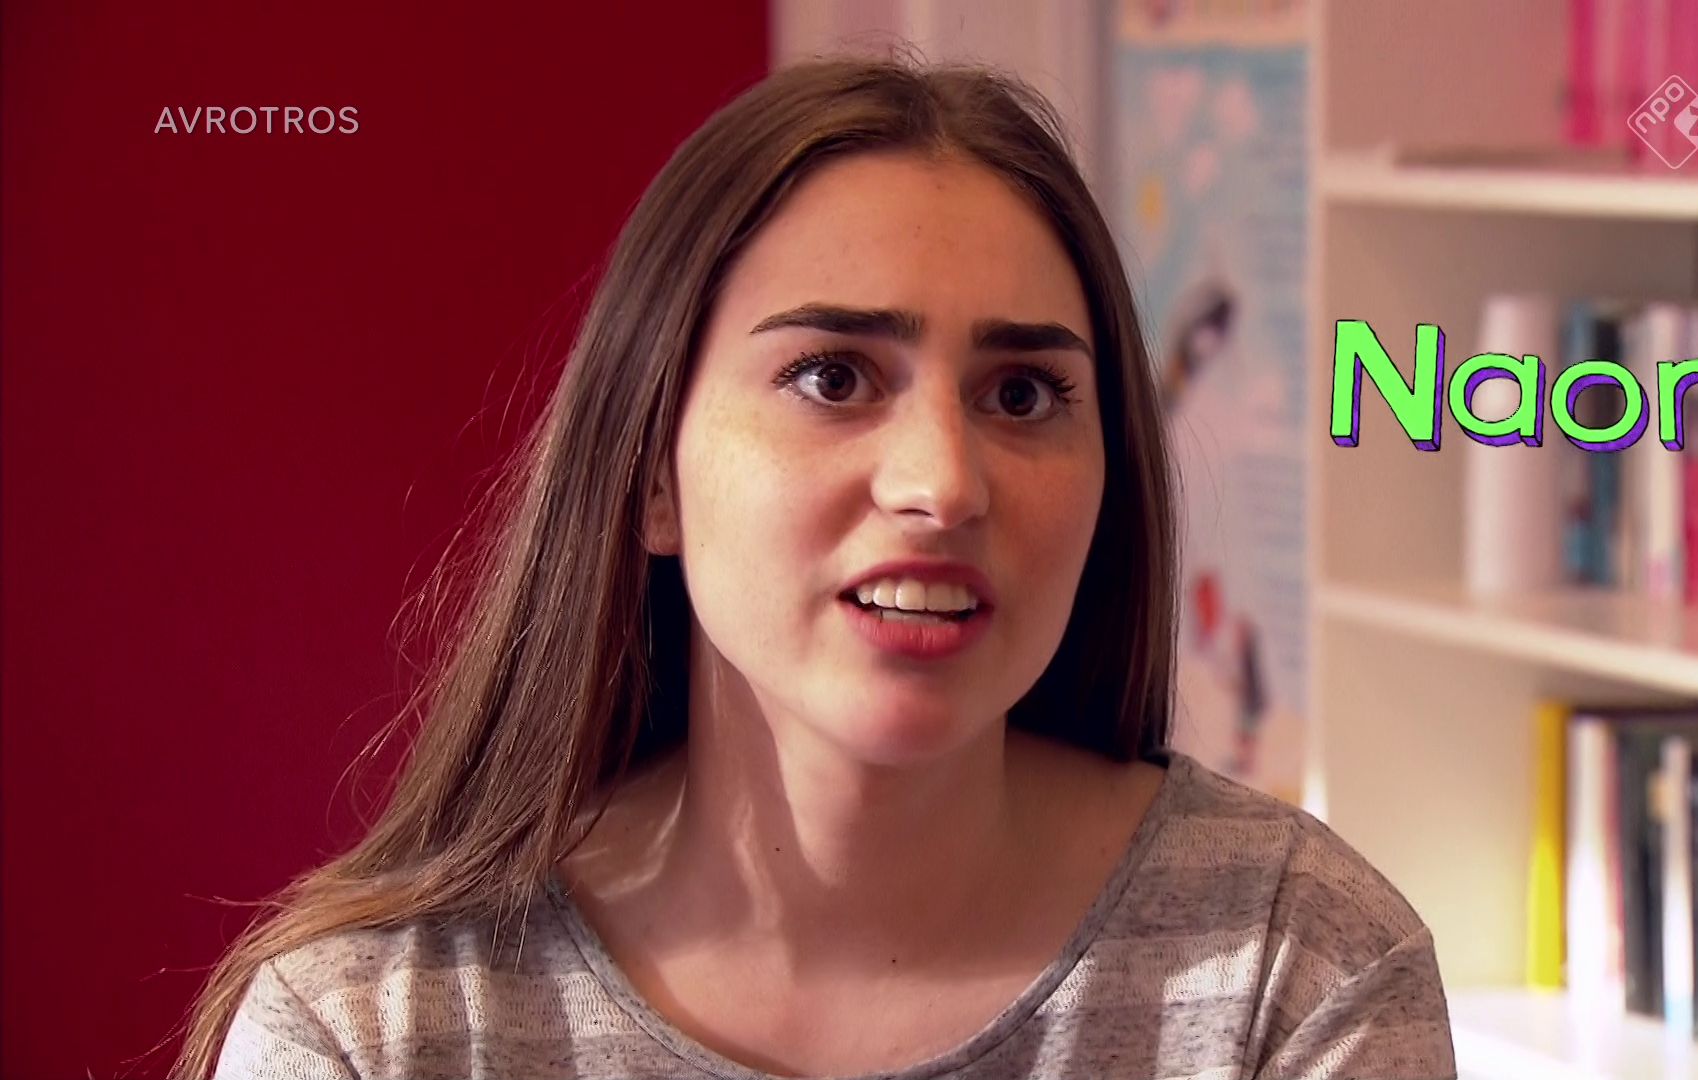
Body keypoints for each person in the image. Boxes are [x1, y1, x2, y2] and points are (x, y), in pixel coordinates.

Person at [176, 54, 1457, 1080]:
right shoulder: (377, 1030)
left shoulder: (1299, 969)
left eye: (1022, 394)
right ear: (652, 474)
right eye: (833, 377)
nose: (943, 484)